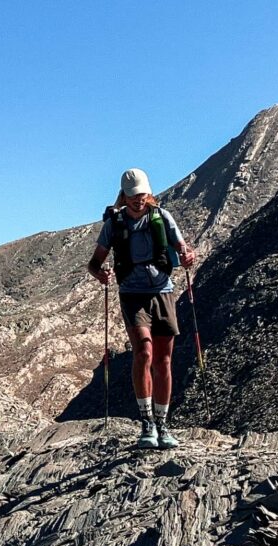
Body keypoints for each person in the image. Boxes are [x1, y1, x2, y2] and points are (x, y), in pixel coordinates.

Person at [86, 168, 196, 449]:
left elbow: (183, 249)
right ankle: (147, 423)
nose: (139, 200)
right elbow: (94, 263)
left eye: (143, 195)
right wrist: (101, 274)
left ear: (149, 194)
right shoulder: (115, 223)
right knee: (144, 351)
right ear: (125, 196)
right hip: (133, 294)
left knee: (164, 360)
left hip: (163, 291)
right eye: (134, 196)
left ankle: (162, 424)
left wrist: (187, 256)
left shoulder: (162, 217)